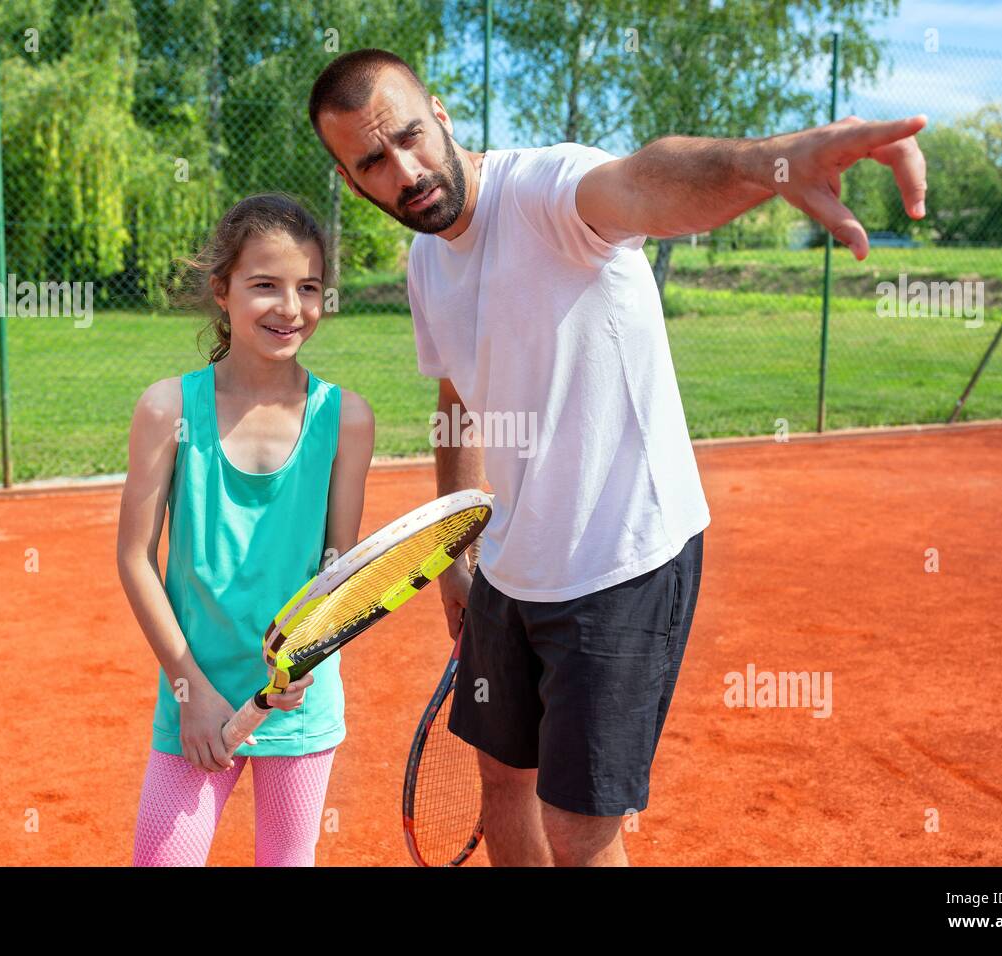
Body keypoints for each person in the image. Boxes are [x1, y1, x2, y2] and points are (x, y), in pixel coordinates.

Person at [307, 49, 926, 866]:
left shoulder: (548, 190)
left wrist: (768, 163)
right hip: (508, 564)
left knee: (579, 828)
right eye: (373, 163)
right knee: (502, 788)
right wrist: (457, 556)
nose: (407, 170)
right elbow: (457, 398)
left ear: (443, 117)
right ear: (354, 183)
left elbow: (648, 181)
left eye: (412, 137)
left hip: (621, 562)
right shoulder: (428, 264)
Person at [116, 193, 375, 866]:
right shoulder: (167, 407)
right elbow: (136, 558)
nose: (291, 308)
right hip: (194, 701)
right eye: (265, 285)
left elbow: (337, 565)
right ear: (221, 292)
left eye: (309, 288)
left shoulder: (346, 418)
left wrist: (305, 653)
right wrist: (190, 691)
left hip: (297, 708)